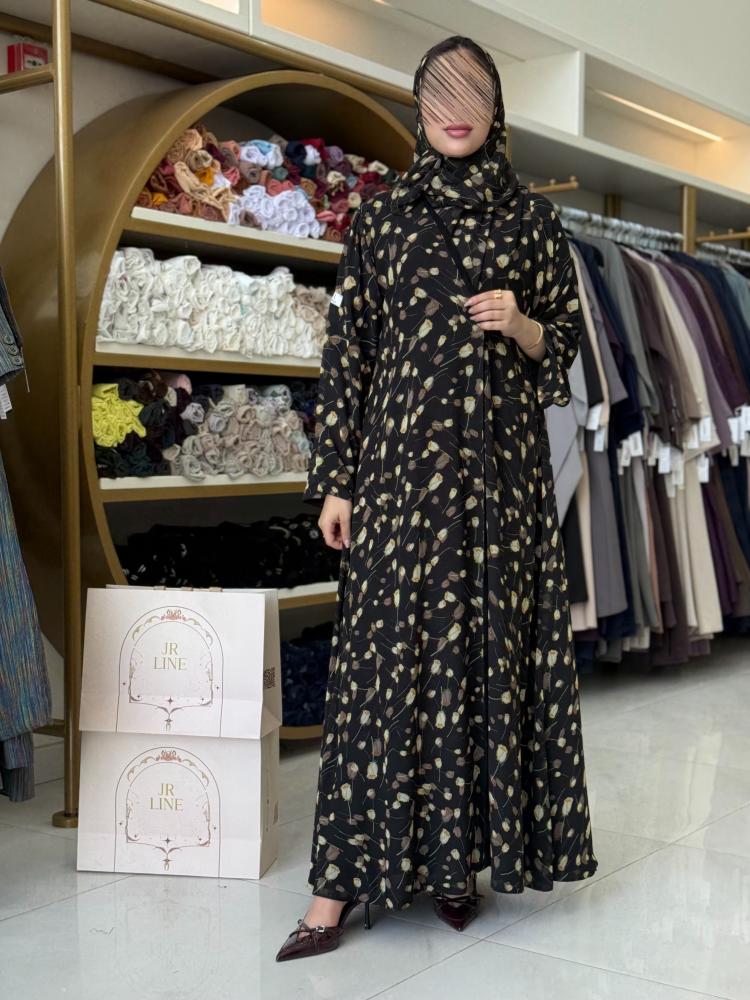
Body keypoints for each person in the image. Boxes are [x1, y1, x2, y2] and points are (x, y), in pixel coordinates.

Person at [276, 34, 598, 962]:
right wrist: (335, 480)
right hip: (400, 481)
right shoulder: (382, 220)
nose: (457, 109)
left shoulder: (534, 223)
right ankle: (336, 886)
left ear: (497, 109)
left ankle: (456, 868)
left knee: (485, 656)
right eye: (439, 92)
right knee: (383, 664)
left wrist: (521, 324)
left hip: (501, 484)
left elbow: (565, 347)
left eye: (473, 92)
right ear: (419, 108)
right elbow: (349, 356)